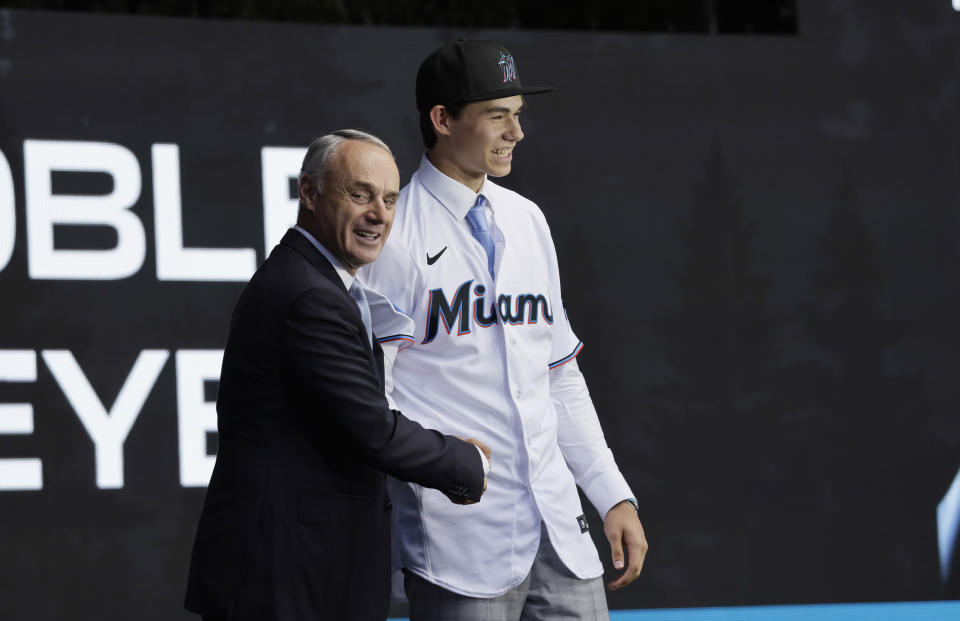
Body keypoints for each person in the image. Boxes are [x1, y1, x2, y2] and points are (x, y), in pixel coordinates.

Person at [361, 40, 648, 620]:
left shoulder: (527, 219)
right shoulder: (395, 236)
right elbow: (374, 405)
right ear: (442, 120)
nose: (516, 132)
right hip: (459, 542)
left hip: (560, 532)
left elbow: (560, 377)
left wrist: (611, 493)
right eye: (498, 116)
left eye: (518, 114)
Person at [184, 129, 489, 621]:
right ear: (309, 192)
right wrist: (467, 460)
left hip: (299, 569)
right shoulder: (311, 295)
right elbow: (373, 430)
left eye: (390, 199)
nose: (379, 215)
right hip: (285, 576)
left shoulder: (314, 281)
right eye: (360, 193)